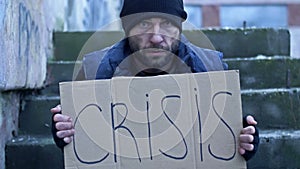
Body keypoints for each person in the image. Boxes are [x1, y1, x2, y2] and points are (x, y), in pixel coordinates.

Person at [51, 0, 259, 161]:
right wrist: (65, 132)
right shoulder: (93, 71)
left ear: (179, 28)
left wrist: (245, 141)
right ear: (127, 29)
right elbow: (83, 148)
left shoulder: (210, 68)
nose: (156, 37)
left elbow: (230, 139)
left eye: (167, 24)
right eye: (144, 24)